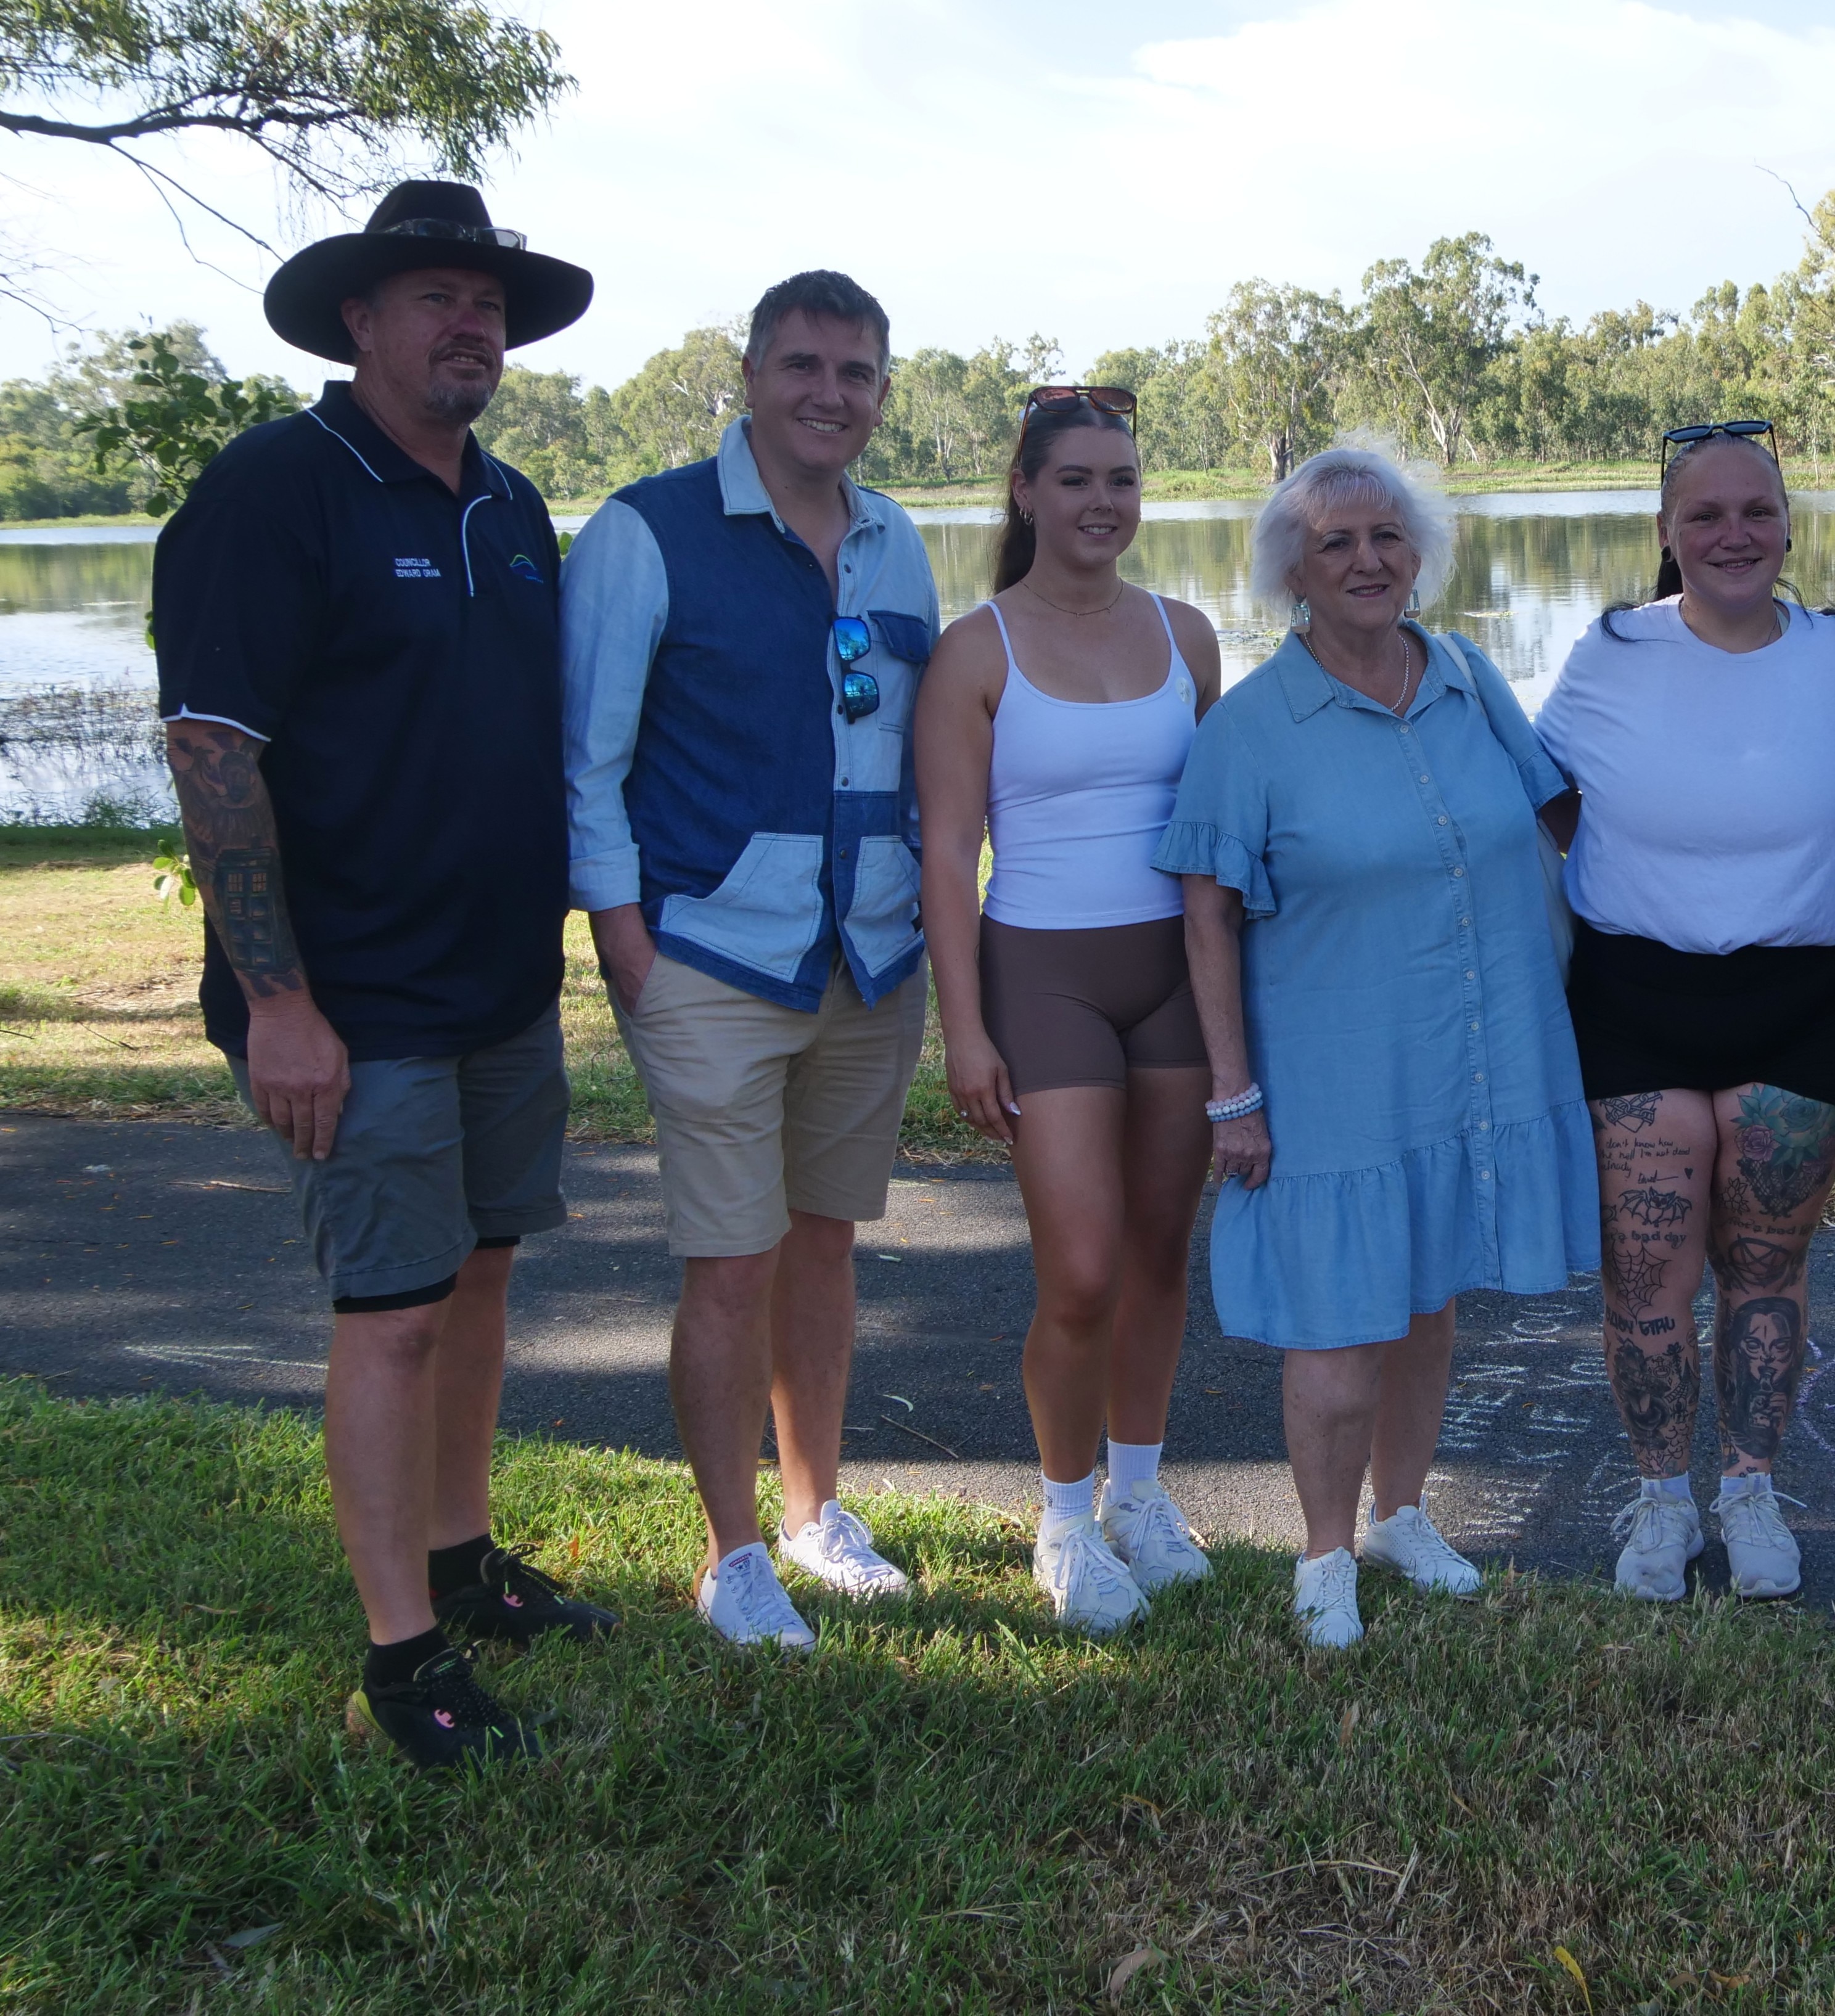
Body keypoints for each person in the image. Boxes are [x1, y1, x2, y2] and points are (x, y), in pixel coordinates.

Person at [154, 181, 609, 1769]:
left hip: (498, 985)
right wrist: (277, 1002)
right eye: (435, 297)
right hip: (352, 1004)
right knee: (393, 1316)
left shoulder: (511, 505)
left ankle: (464, 1565)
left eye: (487, 303)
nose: (469, 323)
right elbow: (213, 751)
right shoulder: (277, 491)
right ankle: (401, 1655)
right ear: (360, 320)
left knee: (481, 1280)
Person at [1154, 443, 1599, 1649]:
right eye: (1337, 541)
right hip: (1332, 1071)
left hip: (1469, 1053)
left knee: (1429, 1298)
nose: (1367, 560)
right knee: (1342, 1332)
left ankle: (1403, 1515)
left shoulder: (1466, 677)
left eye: (1388, 537)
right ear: (1291, 567)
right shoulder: (1253, 728)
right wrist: (1231, 1096)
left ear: (1421, 555)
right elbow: (1206, 913)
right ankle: (1321, 1560)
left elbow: (1559, 812)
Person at [560, 272, 940, 1651]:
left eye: (856, 372)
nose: (830, 394)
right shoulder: (643, 534)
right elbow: (586, 766)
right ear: (751, 375)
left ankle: (813, 1513)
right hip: (710, 955)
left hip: (869, 959)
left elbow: (909, 748)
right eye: (803, 366)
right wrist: (628, 949)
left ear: (881, 391)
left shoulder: (897, 543)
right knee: (731, 1263)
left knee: (825, 1247)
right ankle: (733, 1557)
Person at [1538, 420, 1835, 1604]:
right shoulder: (1606, 652)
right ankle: (1661, 1500)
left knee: (1764, 1260)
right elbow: (1550, 797)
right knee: (1645, 1269)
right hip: (1634, 990)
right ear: (1665, 533)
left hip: (1800, 991)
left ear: (1789, 524)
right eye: (1703, 515)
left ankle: (1750, 1491)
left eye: (1755, 510)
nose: (1732, 534)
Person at [915, 387, 1225, 1636]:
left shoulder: (1190, 636)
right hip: (1042, 977)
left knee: (1159, 1253)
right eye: (1080, 480)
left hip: (1177, 981)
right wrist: (966, 1029)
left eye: (1124, 480)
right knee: (1084, 1267)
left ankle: (1141, 1497)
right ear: (1027, 493)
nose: (1106, 504)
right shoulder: (976, 650)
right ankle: (1063, 1515)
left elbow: (1220, 834)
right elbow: (948, 859)